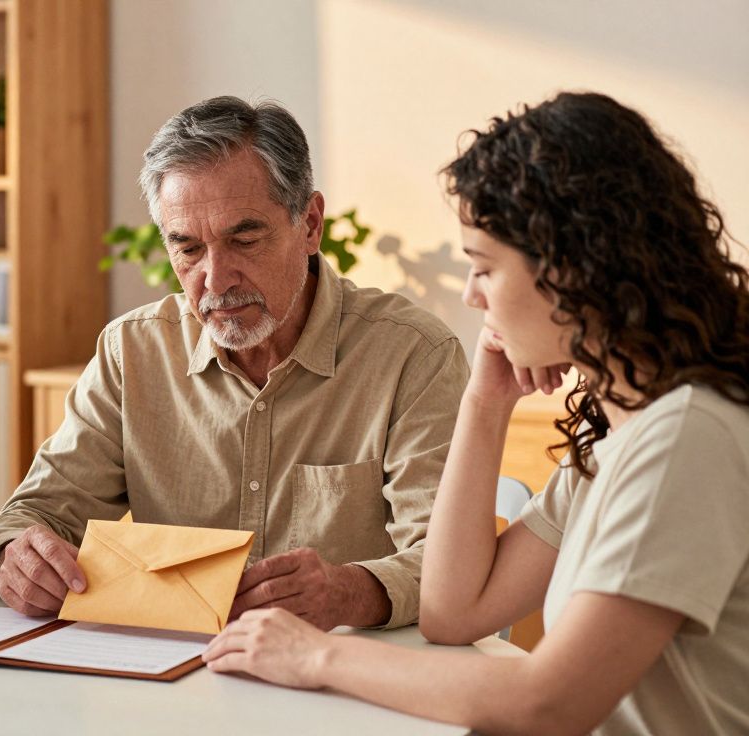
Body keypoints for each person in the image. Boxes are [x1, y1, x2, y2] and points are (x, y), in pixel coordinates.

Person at [202, 92, 749, 734]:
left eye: (484, 268)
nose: (469, 294)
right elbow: (453, 611)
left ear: (573, 269)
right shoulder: (618, 441)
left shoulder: (686, 437)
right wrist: (485, 404)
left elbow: (550, 703)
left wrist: (318, 654)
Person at [0, 96, 468, 630]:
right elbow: (32, 516)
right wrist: (15, 559)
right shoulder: (132, 352)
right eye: (187, 249)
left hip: (343, 673)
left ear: (311, 223)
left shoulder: (414, 355)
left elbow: (448, 561)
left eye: (244, 239)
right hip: (177, 677)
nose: (215, 278)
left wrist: (348, 592)